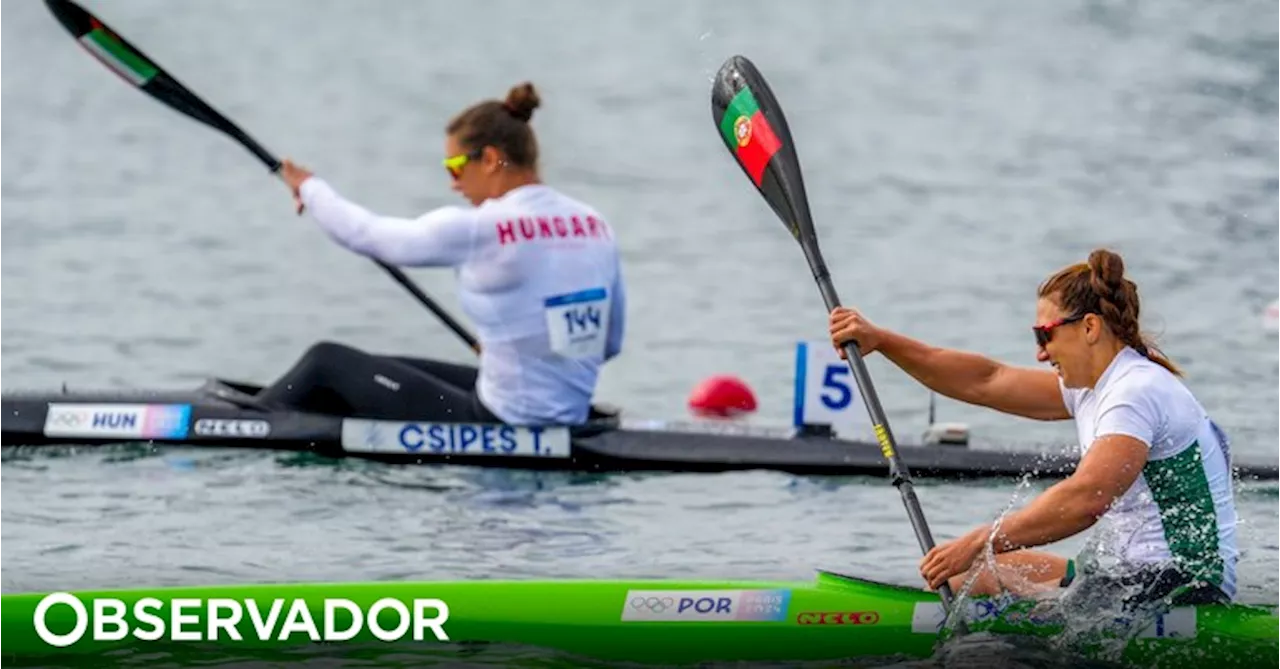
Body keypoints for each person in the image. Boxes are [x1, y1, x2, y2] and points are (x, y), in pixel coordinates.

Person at [829, 249, 1237, 609]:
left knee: (985, 573)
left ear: (1090, 328)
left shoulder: (1134, 391)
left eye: (1046, 334)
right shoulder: (1096, 387)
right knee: (972, 577)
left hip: (1181, 589)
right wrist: (882, 341)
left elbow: (1086, 498)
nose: (1040, 352)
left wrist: (977, 542)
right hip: (1131, 577)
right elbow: (986, 380)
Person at [258, 82, 626, 426]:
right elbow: (608, 343)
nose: (453, 183)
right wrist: (522, 352)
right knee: (385, 367)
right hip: (569, 415)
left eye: (455, 166)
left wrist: (309, 188)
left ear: (492, 159)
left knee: (326, 364)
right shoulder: (595, 224)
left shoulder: (481, 228)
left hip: (502, 419)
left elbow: (365, 234)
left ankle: (248, 421)